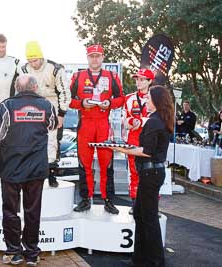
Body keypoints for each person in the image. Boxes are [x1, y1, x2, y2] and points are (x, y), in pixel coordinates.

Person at [0, 74, 57, 266]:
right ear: (35, 87)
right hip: (36, 171)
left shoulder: (6, 106)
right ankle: (32, 254)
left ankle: (14, 252)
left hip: (10, 169)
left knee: (10, 211)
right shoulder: (46, 105)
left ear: (16, 88)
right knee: (33, 211)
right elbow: (53, 124)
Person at [111, 85, 173, 267]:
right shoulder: (160, 119)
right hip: (152, 172)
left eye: (148, 98)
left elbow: (147, 151)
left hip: (151, 173)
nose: (145, 100)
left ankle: (155, 261)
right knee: (140, 214)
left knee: (149, 217)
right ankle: (140, 258)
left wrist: (121, 149)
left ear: (155, 100)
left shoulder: (154, 121)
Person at [70, 44, 124, 214]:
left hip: (103, 123)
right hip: (85, 122)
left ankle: (108, 200)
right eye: (91, 56)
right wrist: (81, 104)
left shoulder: (111, 76)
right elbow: (68, 99)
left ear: (102, 57)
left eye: (97, 56)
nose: (94, 59)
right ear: (87, 58)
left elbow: (121, 98)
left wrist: (110, 103)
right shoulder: (78, 76)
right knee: (84, 163)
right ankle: (86, 199)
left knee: (106, 163)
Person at [21, 41, 71, 188]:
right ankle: (31, 173)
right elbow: (20, 89)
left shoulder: (55, 68)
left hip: (52, 104)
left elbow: (65, 93)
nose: (33, 64)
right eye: (30, 61)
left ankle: (51, 174)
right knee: (30, 139)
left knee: (52, 141)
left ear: (41, 57)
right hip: (33, 104)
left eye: (35, 60)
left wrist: (61, 114)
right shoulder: (24, 69)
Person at [124, 68, 155, 214]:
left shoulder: (156, 97)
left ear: (150, 81)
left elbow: (160, 119)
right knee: (134, 172)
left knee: (151, 172)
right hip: (133, 138)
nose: (138, 82)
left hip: (150, 138)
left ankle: (152, 205)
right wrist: (130, 121)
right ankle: (135, 202)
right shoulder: (129, 98)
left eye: (142, 79)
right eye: (137, 79)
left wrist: (141, 121)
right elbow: (125, 120)